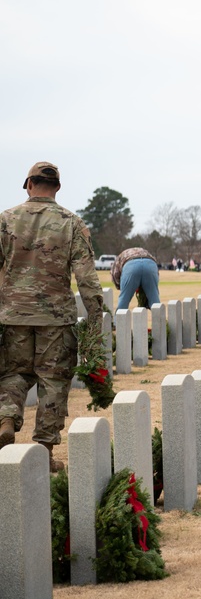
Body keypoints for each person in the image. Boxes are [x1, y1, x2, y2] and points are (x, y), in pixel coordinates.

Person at [0, 162, 104, 472]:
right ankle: (43, 451)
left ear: (28, 185)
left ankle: (6, 418)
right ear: (57, 188)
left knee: (12, 375)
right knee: (53, 381)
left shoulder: (5, 220)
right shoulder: (71, 223)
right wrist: (95, 321)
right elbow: (87, 278)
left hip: (12, 316)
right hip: (56, 319)